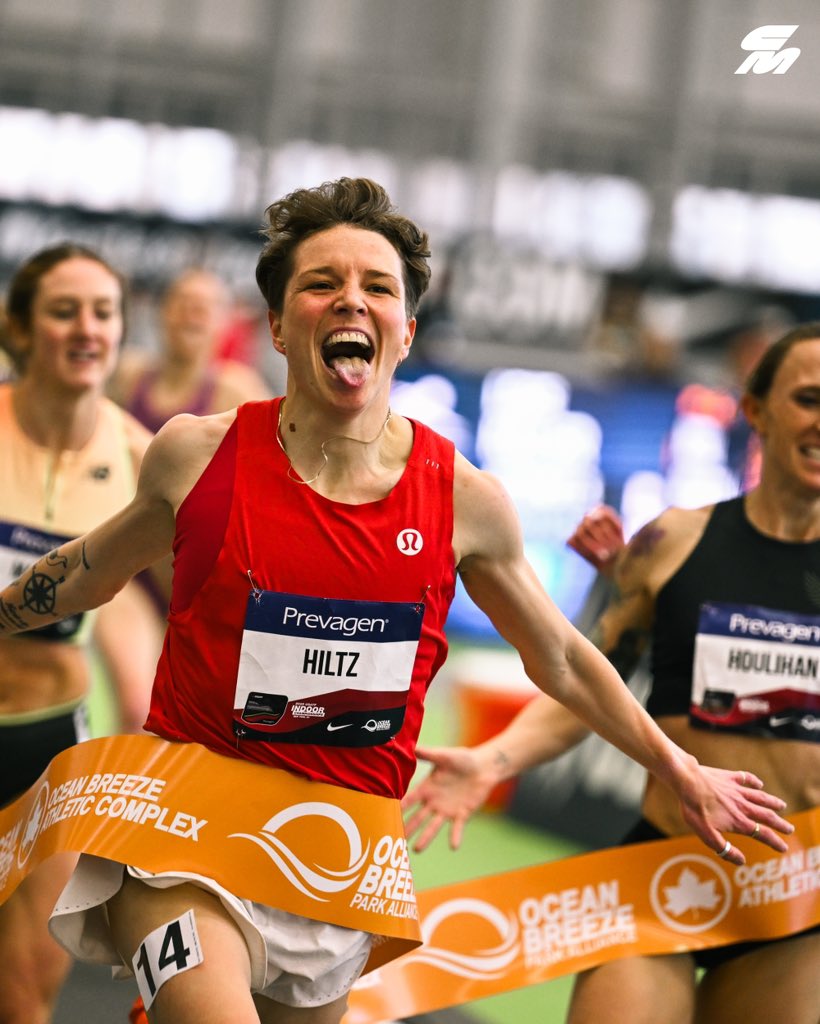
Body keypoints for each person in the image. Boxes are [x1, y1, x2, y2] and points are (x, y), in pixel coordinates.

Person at [0, 179, 792, 1024]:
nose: (352, 299)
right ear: (276, 326)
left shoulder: (465, 499)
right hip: (183, 840)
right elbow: (86, 573)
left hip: (336, 858)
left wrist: (680, 767)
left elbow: (558, 656)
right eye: (320, 283)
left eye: (378, 287)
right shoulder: (197, 456)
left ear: (406, 331)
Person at [403, 322, 820, 1024]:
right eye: (808, 399)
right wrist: (492, 759)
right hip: (659, 874)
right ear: (755, 411)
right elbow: (585, 683)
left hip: (791, 896)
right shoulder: (672, 542)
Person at [0, 243, 159, 1024]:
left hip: (51, 756)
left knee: (26, 996)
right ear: (21, 329)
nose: (86, 329)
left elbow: (178, 600)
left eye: (104, 313)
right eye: (64, 311)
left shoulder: (141, 456)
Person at [109, 267, 271, 435]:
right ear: (162, 312)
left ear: (224, 322)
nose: (190, 315)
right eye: (182, 303)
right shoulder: (128, 375)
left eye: (202, 308)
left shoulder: (238, 391)